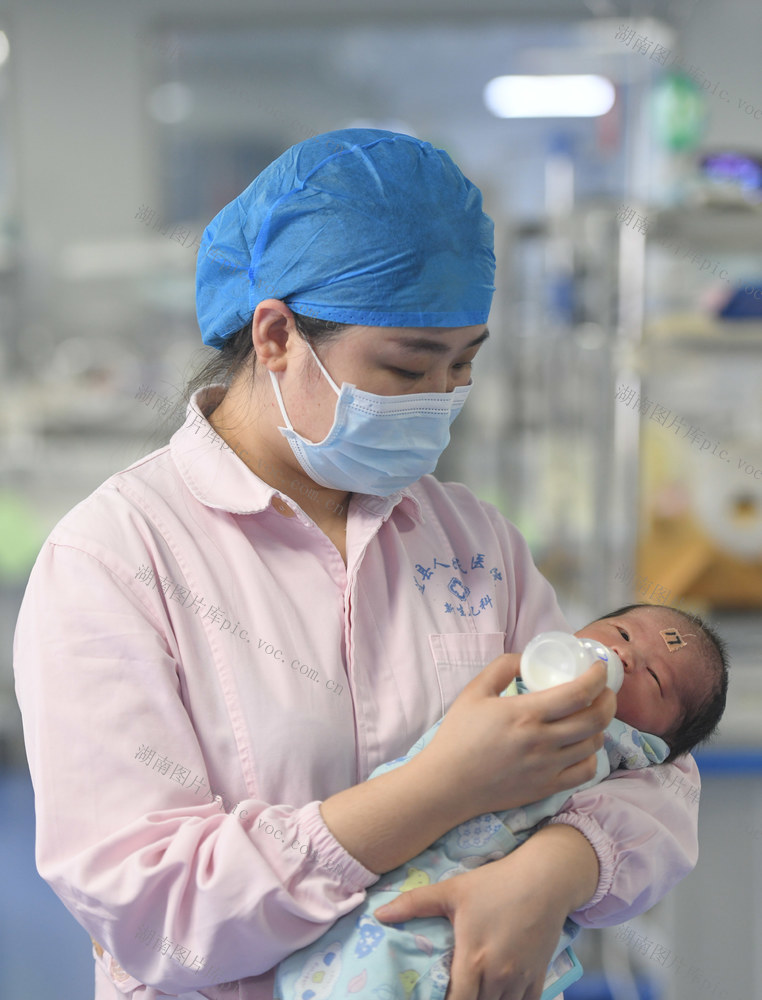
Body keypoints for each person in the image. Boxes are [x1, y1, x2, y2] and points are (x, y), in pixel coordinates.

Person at [12, 129, 701, 1000]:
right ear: (275, 336)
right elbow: (156, 914)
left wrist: (561, 867)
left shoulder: (472, 541)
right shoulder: (115, 561)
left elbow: (651, 767)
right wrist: (439, 788)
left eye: (463, 365)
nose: (440, 400)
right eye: (408, 366)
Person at [273, 602, 728, 1000]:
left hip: (480, 930)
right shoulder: (528, 674)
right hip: (353, 888)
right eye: (623, 633)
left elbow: (669, 806)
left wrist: (553, 872)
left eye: (654, 677)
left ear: (664, 742)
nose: (625, 656)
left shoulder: (635, 757)